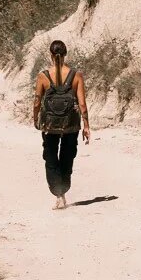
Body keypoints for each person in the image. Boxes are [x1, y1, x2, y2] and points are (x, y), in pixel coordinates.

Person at [33, 39, 90, 209]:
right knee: (67, 157)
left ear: (51, 55)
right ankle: (63, 190)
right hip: (71, 125)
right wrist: (86, 126)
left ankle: (59, 194)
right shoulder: (76, 75)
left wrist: (35, 119)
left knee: (51, 158)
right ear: (65, 55)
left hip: (50, 125)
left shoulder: (43, 76)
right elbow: (82, 104)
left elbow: (37, 101)